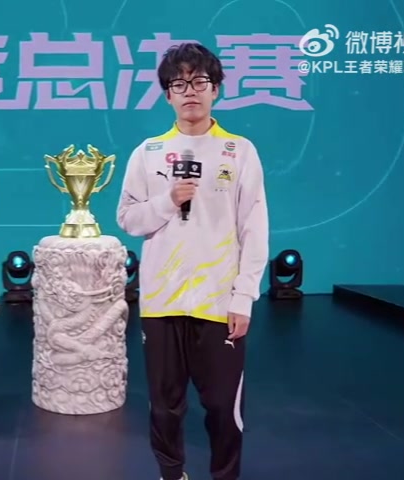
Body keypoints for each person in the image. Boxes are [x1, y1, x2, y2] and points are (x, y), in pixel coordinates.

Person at [116, 43, 269, 480]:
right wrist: (167, 200)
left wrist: (243, 296)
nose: (190, 91)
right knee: (165, 406)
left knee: (222, 405)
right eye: (179, 84)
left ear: (215, 89)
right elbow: (128, 218)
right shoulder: (148, 152)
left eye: (199, 81)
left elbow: (254, 228)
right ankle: (172, 474)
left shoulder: (239, 151)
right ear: (168, 94)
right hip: (162, 302)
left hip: (218, 302)